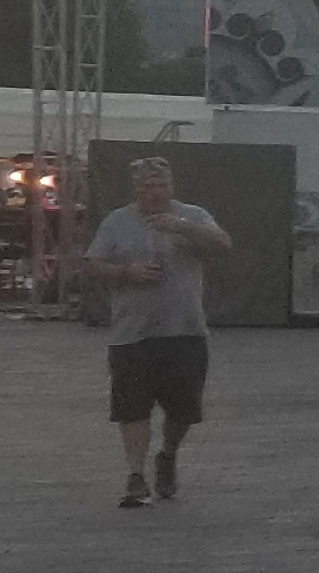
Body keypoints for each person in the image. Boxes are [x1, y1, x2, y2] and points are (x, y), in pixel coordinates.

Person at [86, 155, 231, 510]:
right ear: (135, 189)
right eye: (146, 186)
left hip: (184, 330)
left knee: (183, 411)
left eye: (161, 185)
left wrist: (182, 227)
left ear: (172, 186)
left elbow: (223, 245)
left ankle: (167, 454)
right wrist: (126, 273)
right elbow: (93, 264)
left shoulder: (192, 215)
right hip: (131, 333)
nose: (154, 193)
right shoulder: (117, 221)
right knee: (132, 408)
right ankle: (135, 476)